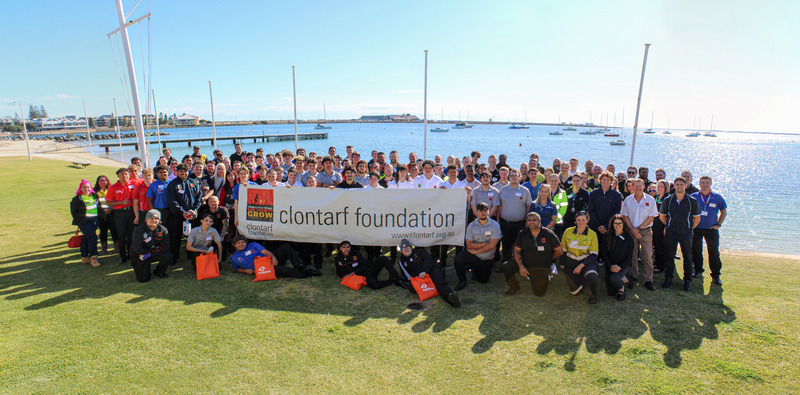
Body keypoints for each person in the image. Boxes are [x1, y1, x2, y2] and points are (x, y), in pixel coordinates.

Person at [502, 212, 564, 296]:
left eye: (534, 220)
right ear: (526, 221)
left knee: (539, 293)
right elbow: (516, 251)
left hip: (541, 266)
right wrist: (521, 267)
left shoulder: (549, 234)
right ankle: (514, 287)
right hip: (525, 262)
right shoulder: (522, 233)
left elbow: (559, 251)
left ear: (539, 221)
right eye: (529, 220)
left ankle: (543, 276)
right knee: (507, 266)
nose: (531, 222)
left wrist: (549, 260)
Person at [659, 176, 701, 291]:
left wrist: (689, 229)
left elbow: (697, 219)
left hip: (686, 234)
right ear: (674, 186)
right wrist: (669, 227)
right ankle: (668, 278)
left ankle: (687, 280)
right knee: (669, 256)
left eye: (682, 184)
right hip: (671, 233)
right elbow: (662, 217)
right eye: (677, 184)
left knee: (687, 257)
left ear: (685, 186)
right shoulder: (668, 200)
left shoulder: (692, 201)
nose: (679, 186)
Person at [396, 239, 461, 308]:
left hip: (431, 270)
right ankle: (434, 288)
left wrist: (424, 271)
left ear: (411, 247)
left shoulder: (420, 251)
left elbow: (429, 260)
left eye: (407, 248)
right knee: (412, 288)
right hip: (420, 278)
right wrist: (417, 279)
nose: (406, 250)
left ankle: (450, 297)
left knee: (439, 283)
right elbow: (407, 275)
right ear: (401, 251)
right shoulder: (401, 261)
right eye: (404, 249)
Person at [620, 178, 659, 291]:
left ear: (643, 187)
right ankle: (634, 275)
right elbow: (625, 216)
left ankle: (648, 280)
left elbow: (651, 216)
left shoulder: (650, 200)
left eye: (639, 186)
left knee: (647, 256)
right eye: (635, 186)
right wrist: (632, 229)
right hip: (631, 230)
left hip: (645, 231)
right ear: (632, 187)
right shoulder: (628, 200)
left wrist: (638, 228)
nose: (637, 188)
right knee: (633, 255)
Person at [454, 202, 502, 290]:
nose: (483, 213)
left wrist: (476, 250)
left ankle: (475, 270)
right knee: (458, 259)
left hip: (485, 259)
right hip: (473, 255)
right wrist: (485, 243)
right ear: (477, 212)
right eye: (480, 211)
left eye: (485, 211)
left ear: (488, 211)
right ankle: (462, 281)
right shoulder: (471, 225)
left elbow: (492, 246)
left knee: (483, 281)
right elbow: (468, 244)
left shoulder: (495, 225)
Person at [690, 176, 727, 285]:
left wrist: (718, 224)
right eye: (702, 183)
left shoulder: (717, 197)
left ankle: (716, 275)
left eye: (707, 183)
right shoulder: (694, 196)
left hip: (711, 229)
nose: (705, 184)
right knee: (696, 250)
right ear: (699, 184)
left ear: (710, 184)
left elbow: (723, 212)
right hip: (696, 228)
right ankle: (698, 270)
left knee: (714, 252)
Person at [229, 235, 318, 278]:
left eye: (243, 242)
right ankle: (308, 273)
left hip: (269, 259)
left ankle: (299, 266)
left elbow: (266, 252)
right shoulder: (234, 258)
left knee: (285, 247)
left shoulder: (253, 245)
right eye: (238, 243)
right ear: (234, 245)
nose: (241, 244)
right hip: (264, 268)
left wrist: (274, 258)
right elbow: (237, 268)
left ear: (246, 242)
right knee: (285, 270)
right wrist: (246, 271)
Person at [166, 163, 203, 265]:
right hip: (178, 216)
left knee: (192, 236)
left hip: (192, 216)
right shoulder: (172, 184)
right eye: (181, 171)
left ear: (188, 172)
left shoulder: (193, 182)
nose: (183, 173)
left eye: (185, 171)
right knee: (175, 237)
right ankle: (174, 257)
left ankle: (191, 255)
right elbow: (172, 201)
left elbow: (199, 197)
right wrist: (182, 212)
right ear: (177, 172)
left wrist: (195, 210)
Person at [560, 211, 600, 304]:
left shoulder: (592, 234)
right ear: (575, 220)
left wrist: (581, 266)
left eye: (583, 220)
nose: (581, 222)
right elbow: (563, 250)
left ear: (587, 220)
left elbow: (594, 254)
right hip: (571, 261)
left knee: (592, 277)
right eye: (578, 220)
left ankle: (593, 294)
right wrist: (562, 264)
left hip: (587, 261)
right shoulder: (568, 231)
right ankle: (581, 281)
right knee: (575, 292)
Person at [334, 241, 406, 289]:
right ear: (340, 248)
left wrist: (354, 272)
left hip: (366, 272)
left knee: (383, 258)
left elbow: (364, 265)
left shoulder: (356, 253)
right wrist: (346, 277)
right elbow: (339, 271)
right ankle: (391, 281)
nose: (346, 249)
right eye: (344, 247)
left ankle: (398, 279)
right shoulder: (338, 258)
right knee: (374, 285)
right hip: (358, 278)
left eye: (348, 247)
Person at [497, 169, 532, 265]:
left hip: (519, 224)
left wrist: (527, 222)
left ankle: (518, 264)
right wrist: (498, 221)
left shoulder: (525, 191)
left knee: (518, 245)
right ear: (509, 177)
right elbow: (499, 206)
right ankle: (505, 264)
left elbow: (528, 206)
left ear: (520, 177)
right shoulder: (503, 190)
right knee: (506, 244)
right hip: (505, 223)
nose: (513, 177)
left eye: (515, 176)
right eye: (511, 176)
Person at [587, 171, 623, 257]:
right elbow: (591, 211)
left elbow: (616, 212)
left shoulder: (616, 195)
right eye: (604, 179)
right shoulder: (593, 193)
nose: (605, 182)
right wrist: (599, 225)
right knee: (595, 243)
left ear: (611, 181)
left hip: (609, 225)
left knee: (608, 244)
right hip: (595, 225)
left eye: (608, 180)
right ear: (600, 180)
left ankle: (605, 259)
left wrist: (607, 226)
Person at [130, 210, 171, 282]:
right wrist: (154, 251)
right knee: (143, 279)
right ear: (146, 219)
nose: (154, 220)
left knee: (167, 255)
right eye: (151, 218)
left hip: (151, 253)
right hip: (141, 256)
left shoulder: (163, 230)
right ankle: (144, 269)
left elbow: (166, 247)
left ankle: (159, 271)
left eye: (156, 218)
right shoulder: (139, 230)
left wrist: (151, 253)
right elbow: (138, 250)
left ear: (159, 221)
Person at [105, 168, 136, 263]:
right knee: (122, 234)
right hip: (119, 212)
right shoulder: (113, 188)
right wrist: (121, 202)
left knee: (131, 233)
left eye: (126, 174)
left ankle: (131, 253)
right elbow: (108, 202)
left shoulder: (133, 184)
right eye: (122, 174)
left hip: (131, 211)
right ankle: (123, 255)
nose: (124, 176)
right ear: (118, 175)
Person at [601, 215, 634, 301]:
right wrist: (610, 266)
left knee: (614, 279)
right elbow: (603, 253)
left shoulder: (629, 238)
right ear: (612, 224)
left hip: (622, 266)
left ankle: (621, 289)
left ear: (624, 224)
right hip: (610, 266)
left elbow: (629, 258)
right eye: (615, 223)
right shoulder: (607, 236)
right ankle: (626, 279)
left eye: (620, 223)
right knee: (611, 292)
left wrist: (620, 268)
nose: (617, 225)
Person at [70, 179, 101, 267]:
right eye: (84, 187)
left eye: (88, 187)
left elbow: (98, 206)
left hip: (94, 220)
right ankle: (94, 257)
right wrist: (80, 220)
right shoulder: (77, 199)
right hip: (84, 221)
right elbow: (74, 212)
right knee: (92, 237)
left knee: (87, 238)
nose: (86, 189)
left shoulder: (94, 196)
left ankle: (84, 256)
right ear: (80, 188)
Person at [93, 175, 116, 254]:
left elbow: (114, 200)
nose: (103, 182)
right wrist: (102, 211)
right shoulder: (94, 191)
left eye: (104, 180)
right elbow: (95, 203)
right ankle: (104, 247)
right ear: (98, 182)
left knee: (114, 229)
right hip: (101, 214)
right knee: (103, 230)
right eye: (101, 180)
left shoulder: (111, 189)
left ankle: (116, 246)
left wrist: (109, 209)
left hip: (111, 212)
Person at [652, 179, 670, 273]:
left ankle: (661, 266)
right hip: (655, 225)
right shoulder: (657, 197)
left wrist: (666, 226)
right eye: (658, 186)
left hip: (662, 226)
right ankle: (657, 262)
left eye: (662, 186)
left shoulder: (667, 198)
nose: (659, 188)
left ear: (666, 188)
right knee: (656, 244)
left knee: (661, 245)